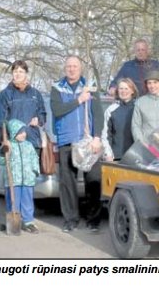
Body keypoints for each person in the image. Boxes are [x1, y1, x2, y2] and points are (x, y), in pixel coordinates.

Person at [51, 56, 104, 233]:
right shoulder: (57, 88)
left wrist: (97, 137)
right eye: (69, 66)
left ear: (80, 69)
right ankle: (71, 220)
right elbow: (57, 111)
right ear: (65, 69)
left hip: (89, 142)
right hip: (67, 141)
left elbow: (98, 114)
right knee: (68, 183)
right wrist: (78, 100)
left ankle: (93, 220)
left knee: (93, 181)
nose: (72, 69)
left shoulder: (90, 87)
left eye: (75, 66)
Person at [0, 119, 41, 234]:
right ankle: (13, 219)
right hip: (13, 181)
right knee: (13, 201)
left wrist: (35, 170)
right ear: (13, 133)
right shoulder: (9, 145)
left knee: (27, 201)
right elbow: (1, 161)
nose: (24, 134)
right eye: (20, 133)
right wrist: (3, 152)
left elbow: (34, 158)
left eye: (24, 132)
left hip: (27, 179)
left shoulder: (29, 145)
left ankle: (28, 222)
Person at [0, 60, 46, 156]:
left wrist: (39, 120)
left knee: (33, 171)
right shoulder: (5, 94)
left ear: (26, 74)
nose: (18, 74)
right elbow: (2, 120)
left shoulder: (36, 94)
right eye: (15, 71)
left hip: (33, 142)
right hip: (14, 144)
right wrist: (13, 134)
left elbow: (43, 114)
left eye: (21, 71)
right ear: (12, 73)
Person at [102, 78, 138, 162]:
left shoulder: (138, 108)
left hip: (136, 157)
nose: (123, 91)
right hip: (116, 156)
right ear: (117, 91)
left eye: (126, 88)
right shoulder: (111, 110)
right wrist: (108, 154)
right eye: (121, 88)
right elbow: (105, 134)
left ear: (132, 91)